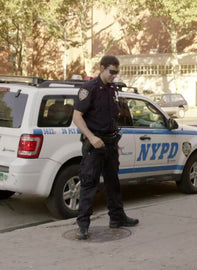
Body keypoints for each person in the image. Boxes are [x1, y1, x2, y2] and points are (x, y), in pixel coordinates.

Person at [72, 55, 138, 240]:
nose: (114, 76)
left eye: (117, 72)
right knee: (89, 184)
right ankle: (83, 226)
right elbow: (77, 117)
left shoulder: (112, 89)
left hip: (110, 144)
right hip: (95, 145)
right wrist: (92, 138)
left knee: (113, 183)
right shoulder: (89, 89)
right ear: (101, 68)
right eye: (112, 72)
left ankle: (117, 218)